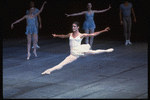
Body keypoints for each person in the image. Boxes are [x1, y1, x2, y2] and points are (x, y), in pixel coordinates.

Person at [41, 22, 114, 75]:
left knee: (93, 52)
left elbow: (93, 34)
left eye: (75, 26)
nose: (73, 28)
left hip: (80, 50)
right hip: (73, 54)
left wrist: (103, 30)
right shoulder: (70, 34)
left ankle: (106, 50)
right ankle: (49, 70)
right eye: (72, 26)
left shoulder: (81, 35)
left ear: (78, 27)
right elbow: (63, 36)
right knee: (62, 64)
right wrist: (56, 35)